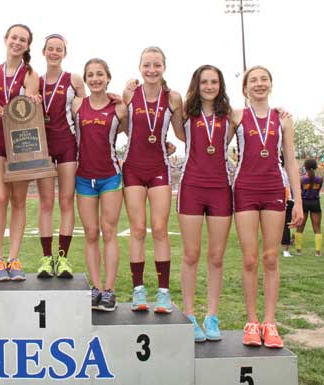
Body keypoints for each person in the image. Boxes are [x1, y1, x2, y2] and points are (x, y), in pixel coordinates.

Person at [233, 66, 303, 348]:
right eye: (254, 80)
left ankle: (270, 322)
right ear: (246, 87)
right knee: (250, 259)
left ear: (270, 85)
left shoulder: (282, 119)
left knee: (271, 257)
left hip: (274, 189)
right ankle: (252, 321)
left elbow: (291, 160)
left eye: (264, 80)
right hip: (245, 190)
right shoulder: (236, 116)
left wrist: (296, 200)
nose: (259, 84)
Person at [122, 47, 184, 313]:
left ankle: (163, 293)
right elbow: (124, 127)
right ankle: (138, 291)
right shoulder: (129, 93)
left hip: (159, 167)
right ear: (139, 67)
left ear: (164, 68)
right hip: (132, 167)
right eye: (147, 65)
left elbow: (182, 133)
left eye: (156, 65)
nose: (151, 70)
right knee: (137, 230)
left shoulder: (174, 98)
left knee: (159, 229)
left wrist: (167, 141)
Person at [177, 65, 232, 341]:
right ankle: (189, 314)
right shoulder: (186, 113)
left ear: (220, 85)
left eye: (214, 82)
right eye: (204, 82)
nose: (209, 86)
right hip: (191, 188)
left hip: (221, 189)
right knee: (191, 254)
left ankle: (212, 316)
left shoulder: (232, 116)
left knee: (216, 256)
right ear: (196, 85)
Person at [0, 24, 40, 281]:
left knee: (19, 201)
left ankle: (14, 258)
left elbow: (28, 108)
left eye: (23, 40)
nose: (17, 42)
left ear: (28, 46)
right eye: (14, 37)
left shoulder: (30, 74)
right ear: (5, 39)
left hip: (19, 142)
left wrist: (33, 100)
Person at [73, 58, 127, 311]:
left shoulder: (119, 108)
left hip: (110, 177)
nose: (95, 79)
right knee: (91, 233)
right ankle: (94, 287)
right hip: (83, 177)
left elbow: (138, 134)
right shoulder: (77, 105)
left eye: (100, 74)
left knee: (109, 232)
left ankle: (109, 289)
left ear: (108, 78)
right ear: (86, 79)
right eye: (91, 75)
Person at [36, 34, 86, 279]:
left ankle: (63, 259)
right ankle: (46, 258)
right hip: (42, 147)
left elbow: (87, 110)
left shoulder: (73, 79)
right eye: (50, 49)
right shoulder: (35, 80)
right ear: (43, 52)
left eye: (59, 49)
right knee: (46, 203)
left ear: (65, 53)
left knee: (66, 201)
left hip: (67, 143)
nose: (54, 52)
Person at [295, 159, 323, 256]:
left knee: (300, 227)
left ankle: (298, 251)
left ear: (305, 167)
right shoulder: (320, 179)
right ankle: (318, 252)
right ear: (315, 167)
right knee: (317, 228)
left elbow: (299, 191)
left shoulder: (301, 179)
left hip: (304, 202)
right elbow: (318, 190)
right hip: (315, 202)